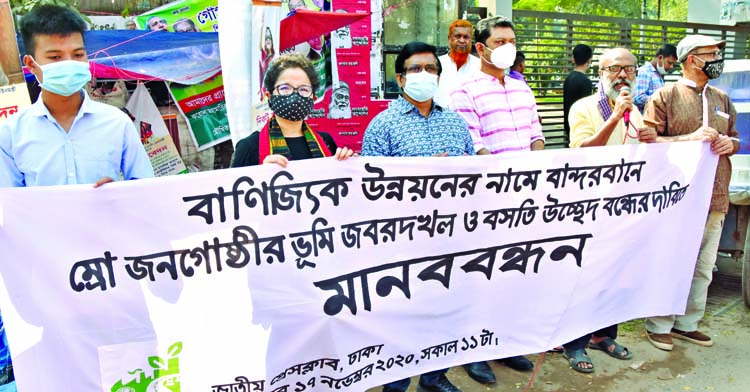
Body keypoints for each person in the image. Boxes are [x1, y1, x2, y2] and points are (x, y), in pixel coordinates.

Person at [0, 6, 153, 386]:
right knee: (64, 375)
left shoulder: (116, 124)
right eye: (55, 57)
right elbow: (9, 215)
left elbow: (149, 196)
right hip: (47, 288)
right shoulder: (12, 135)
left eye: (78, 54)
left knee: (131, 374)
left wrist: (120, 196)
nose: (69, 63)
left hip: (117, 280)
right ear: (32, 64)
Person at [364, 41, 471, 392]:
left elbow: (475, 178)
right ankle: (395, 382)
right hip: (401, 242)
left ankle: (434, 376)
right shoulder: (382, 126)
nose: (424, 75)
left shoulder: (456, 123)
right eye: (415, 69)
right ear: (399, 78)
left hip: (450, 238)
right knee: (400, 315)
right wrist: (424, 174)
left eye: (431, 69)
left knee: (441, 312)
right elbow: (369, 189)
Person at [450, 14, 541, 382]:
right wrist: (506, 179)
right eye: (499, 42)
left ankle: (506, 344)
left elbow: (537, 133)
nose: (507, 48)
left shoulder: (522, 88)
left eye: (511, 41)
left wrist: (535, 169)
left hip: (527, 196)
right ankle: (473, 352)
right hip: (489, 199)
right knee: (481, 275)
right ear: (481, 48)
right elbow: (474, 145)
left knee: (516, 272)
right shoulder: (465, 89)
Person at [563, 48, 658, 373]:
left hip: (626, 208)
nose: (622, 76)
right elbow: (582, 153)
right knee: (584, 276)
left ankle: (604, 335)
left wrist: (651, 139)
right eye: (614, 69)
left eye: (629, 70)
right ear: (600, 73)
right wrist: (615, 117)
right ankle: (574, 344)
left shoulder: (638, 110)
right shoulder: (584, 108)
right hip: (590, 207)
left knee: (618, 275)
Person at [643, 35, 739, 351]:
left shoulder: (722, 98)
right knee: (671, 261)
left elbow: (736, 138)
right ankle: (659, 324)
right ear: (690, 59)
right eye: (709, 53)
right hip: (677, 199)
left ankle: (688, 323)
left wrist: (731, 144)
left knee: (703, 266)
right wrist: (690, 138)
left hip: (715, 195)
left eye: (717, 53)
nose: (716, 58)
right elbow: (647, 143)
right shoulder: (665, 95)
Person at [231, 54, 353, 167]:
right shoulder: (249, 148)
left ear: (313, 98)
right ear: (269, 96)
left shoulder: (327, 142)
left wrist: (350, 165)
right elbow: (234, 188)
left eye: (304, 90)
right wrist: (261, 174)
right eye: (285, 88)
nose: (295, 96)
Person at [434, 19, 480, 108]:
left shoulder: (480, 66)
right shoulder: (436, 64)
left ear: (471, 40)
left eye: (466, 37)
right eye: (457, 36)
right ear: (449, 38)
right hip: (439, 117)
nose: (462, 40)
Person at [563, 44, 594, 144]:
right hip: (581, 127)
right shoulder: (585, 82)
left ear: (573, 59)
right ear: (589, 61)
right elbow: (587, 109)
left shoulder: (568, 78)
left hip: (568, 125)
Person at [633, 44, 677, 112]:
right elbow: (638, 98)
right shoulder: (645, 71)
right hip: (645, 120)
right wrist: (661, 101)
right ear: (660, 58)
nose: (671, 67)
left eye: (673, 64)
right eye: (669, 63)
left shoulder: (658, 74)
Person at [259, 26, 275, 99]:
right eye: (266, 39)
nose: (268, 40)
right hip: (264, 88)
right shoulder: (263, 54)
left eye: (270, 38)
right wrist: (261, 29)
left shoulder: (274, 55)